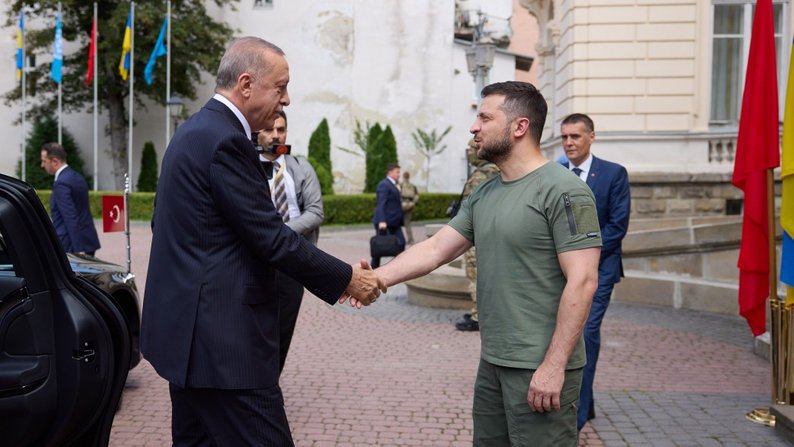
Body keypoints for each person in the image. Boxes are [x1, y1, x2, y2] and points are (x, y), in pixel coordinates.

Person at [140, 37, 385, 446]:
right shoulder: (227, 141)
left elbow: (166, 226)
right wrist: (347, 278)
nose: (286, 100)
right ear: (247, 84)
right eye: (281, 86)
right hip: (224, 348)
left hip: (187, 341)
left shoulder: (192, 133)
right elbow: (271, 238)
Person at [376, 81, 601, 446]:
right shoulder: (486, 191)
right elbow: (436, 250)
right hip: (494, 360)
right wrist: (374, 278)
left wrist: (554, 365)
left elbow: (584, 281)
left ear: (519, 127)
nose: (473, 126)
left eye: (484, 117)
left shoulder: (565, 190)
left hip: (538, 366)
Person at [559, 113, 631, 431]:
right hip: (560, 272)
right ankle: (580, 405)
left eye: (575, 136)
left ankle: (575, 418)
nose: (569, 143)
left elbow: (617, 226)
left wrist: (583, 257)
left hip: (600, 271)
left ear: (591, 137)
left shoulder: (613, 174)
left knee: (585, 336)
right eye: (564, 137)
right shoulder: (554, 173)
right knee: (562, 335)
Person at [255, 110, 324, 375]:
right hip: (255, 260)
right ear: (257, 133)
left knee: (282, 329)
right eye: (269, 130)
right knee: (253, 328)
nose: (275, 135)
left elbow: (316, 212)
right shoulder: (245, 166)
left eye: (280, 130)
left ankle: (270, 384)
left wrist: (279, 233)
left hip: (291, 262)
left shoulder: (301, 167)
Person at [454, 139, 499, 332]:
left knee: (475, 276)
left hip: (476, 236)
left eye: (471, 149)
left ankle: (477, 316)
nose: (470, 153)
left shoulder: (481, 175)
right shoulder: (497, 171)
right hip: (491, 235)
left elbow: (470, 209)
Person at [39, 142, 101, 256]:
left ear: (55, 161)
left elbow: (69, 216)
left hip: (70, 245)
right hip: (88, 240)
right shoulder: (77, 177)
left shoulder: (61, 183)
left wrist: (78, 249)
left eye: (44, 161)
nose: (42, 165)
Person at [371, 163, 405, 268]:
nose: (399, 174)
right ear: (390, 172)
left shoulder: (394, 184)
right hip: (385, 222)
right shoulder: (384, 184)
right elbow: (381, 203)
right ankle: (374, 268)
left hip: (394, 222)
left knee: (401, 244)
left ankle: (398, 267)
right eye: (397, 172)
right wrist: (382, 220)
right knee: (380, 247)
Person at [398, 171, 419, 244]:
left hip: (402, 204)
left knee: (396, 223)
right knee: (407, 223)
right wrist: (413, 203)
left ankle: (398, 240)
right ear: (409, 177)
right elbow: (416, 195)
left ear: (403, 177)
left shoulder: (400, 185)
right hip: (410, 204)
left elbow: (397, 194)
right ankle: (411, 239)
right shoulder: (412, 185)